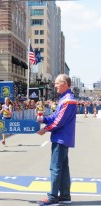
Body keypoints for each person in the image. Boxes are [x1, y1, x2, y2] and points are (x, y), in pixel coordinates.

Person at [36, 74, 77, 205]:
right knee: (63, 168)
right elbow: (55, 117)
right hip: (63, 138)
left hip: (61, 138)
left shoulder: (67, 100)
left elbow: (58, 122)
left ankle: (53, 196)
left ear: (64, 83)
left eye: (57, 83)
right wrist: (43, 119)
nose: (55, 86)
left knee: (55, 167)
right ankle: (65, 195)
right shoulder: (65, 99)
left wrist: (45, 129)